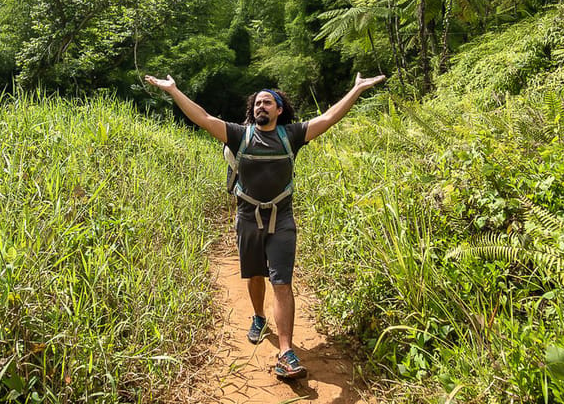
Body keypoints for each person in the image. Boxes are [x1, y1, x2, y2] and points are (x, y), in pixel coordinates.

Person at [144, 73, 385, 379]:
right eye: (257, 102)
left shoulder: (292, 135)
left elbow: (328, 117)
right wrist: (174, 90)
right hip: (247, 218)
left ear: (279, 109)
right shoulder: (238, 135)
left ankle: (286, 352)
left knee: (281, 282)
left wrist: (356, 89)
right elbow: (203, 118)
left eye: (267, 102)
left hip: (282, 219)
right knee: (255, 274)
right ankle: (258, 316)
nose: (261, 106)